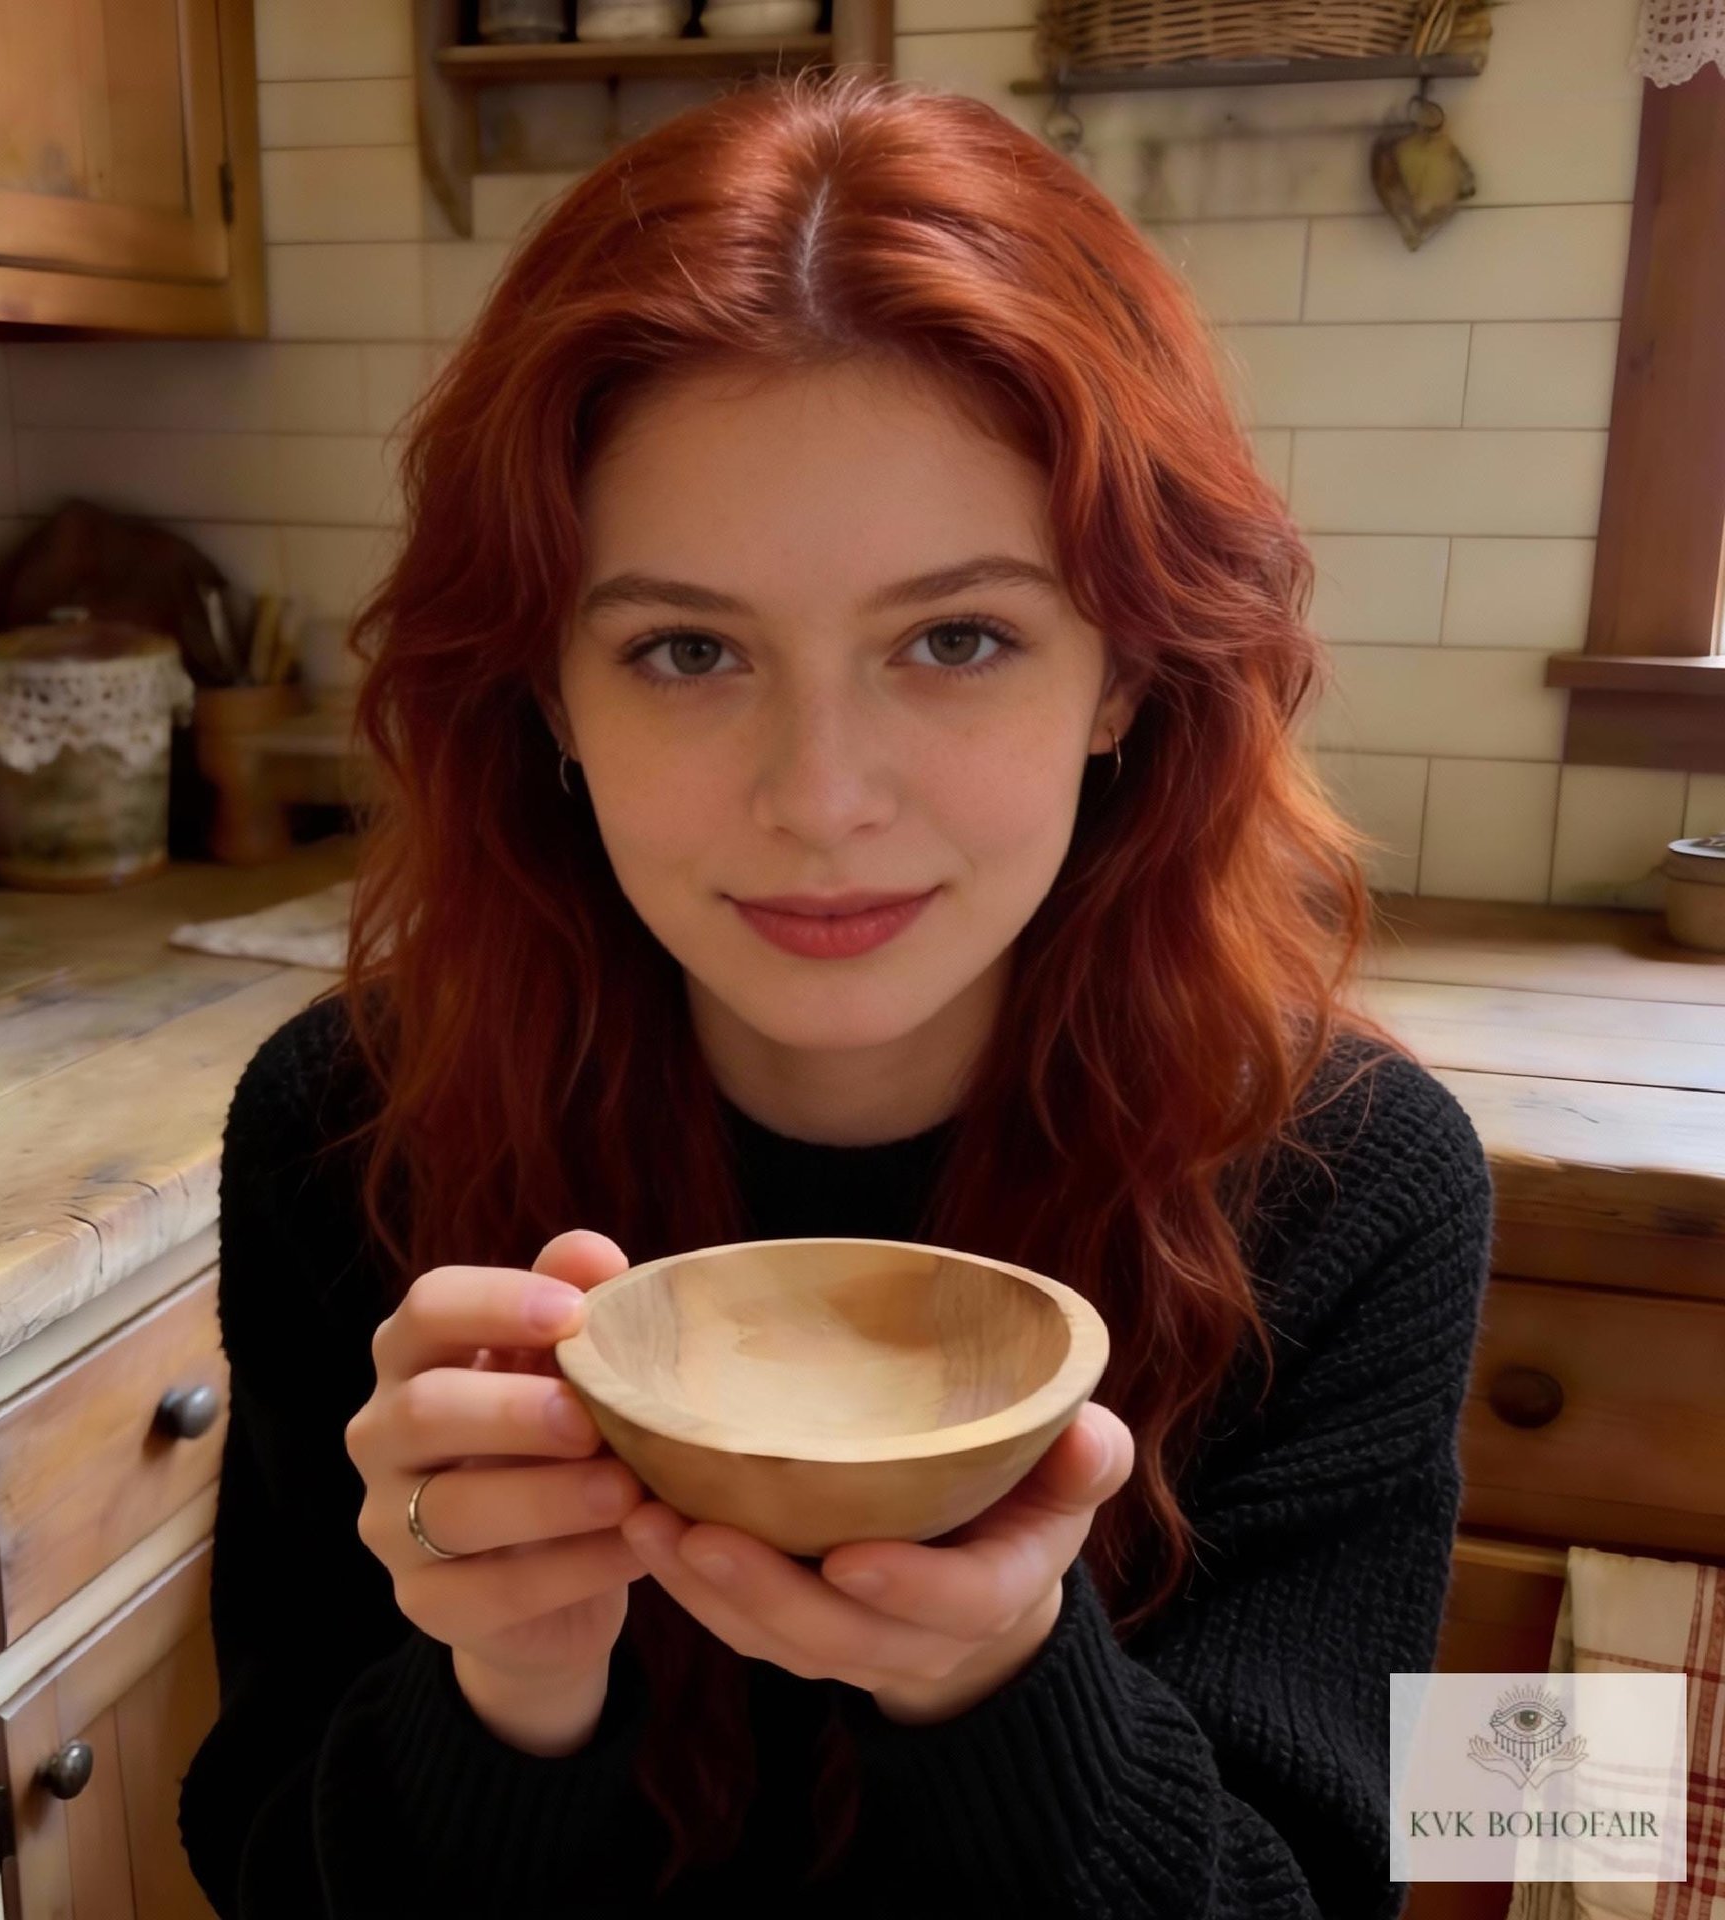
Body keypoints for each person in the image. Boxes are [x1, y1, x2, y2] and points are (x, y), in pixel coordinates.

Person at [177, 68, 1494, 1920]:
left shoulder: (1351, 1181)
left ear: (1122, 675)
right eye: (685, 648)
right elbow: (264, 1864)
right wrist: (506, 1696)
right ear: (548, 694)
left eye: (956, 638)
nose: (821, 798)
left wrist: (991, 1683)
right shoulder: (351, 1126)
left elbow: (1320, 1892)